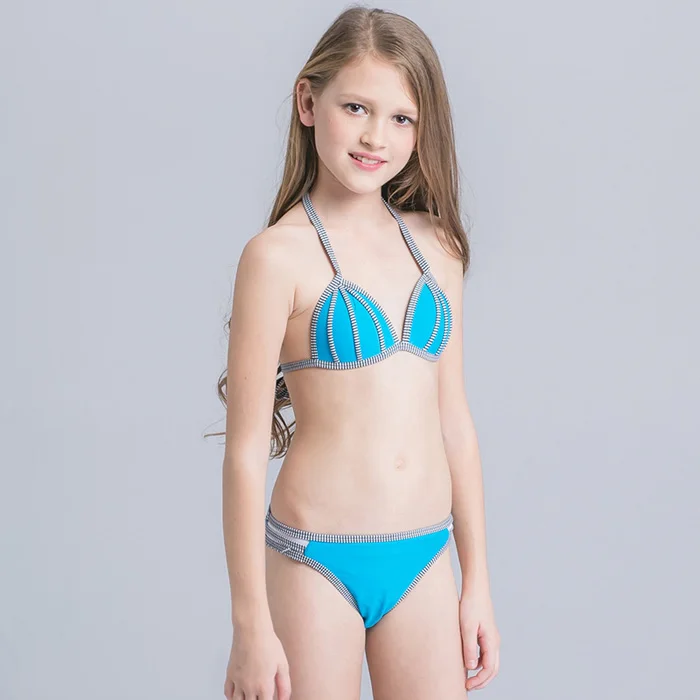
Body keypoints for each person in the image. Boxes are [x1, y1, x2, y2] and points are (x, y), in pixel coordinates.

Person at [216, 6, 500, 699]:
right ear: (307, 103)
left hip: (425, 556)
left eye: (401, 117)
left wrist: (477, 583)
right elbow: (246, 454)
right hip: (316, 561)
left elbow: (455, 420)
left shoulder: (438, 247)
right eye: (355, 108)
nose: (376, 136)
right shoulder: (275, 257)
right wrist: (250, 626)